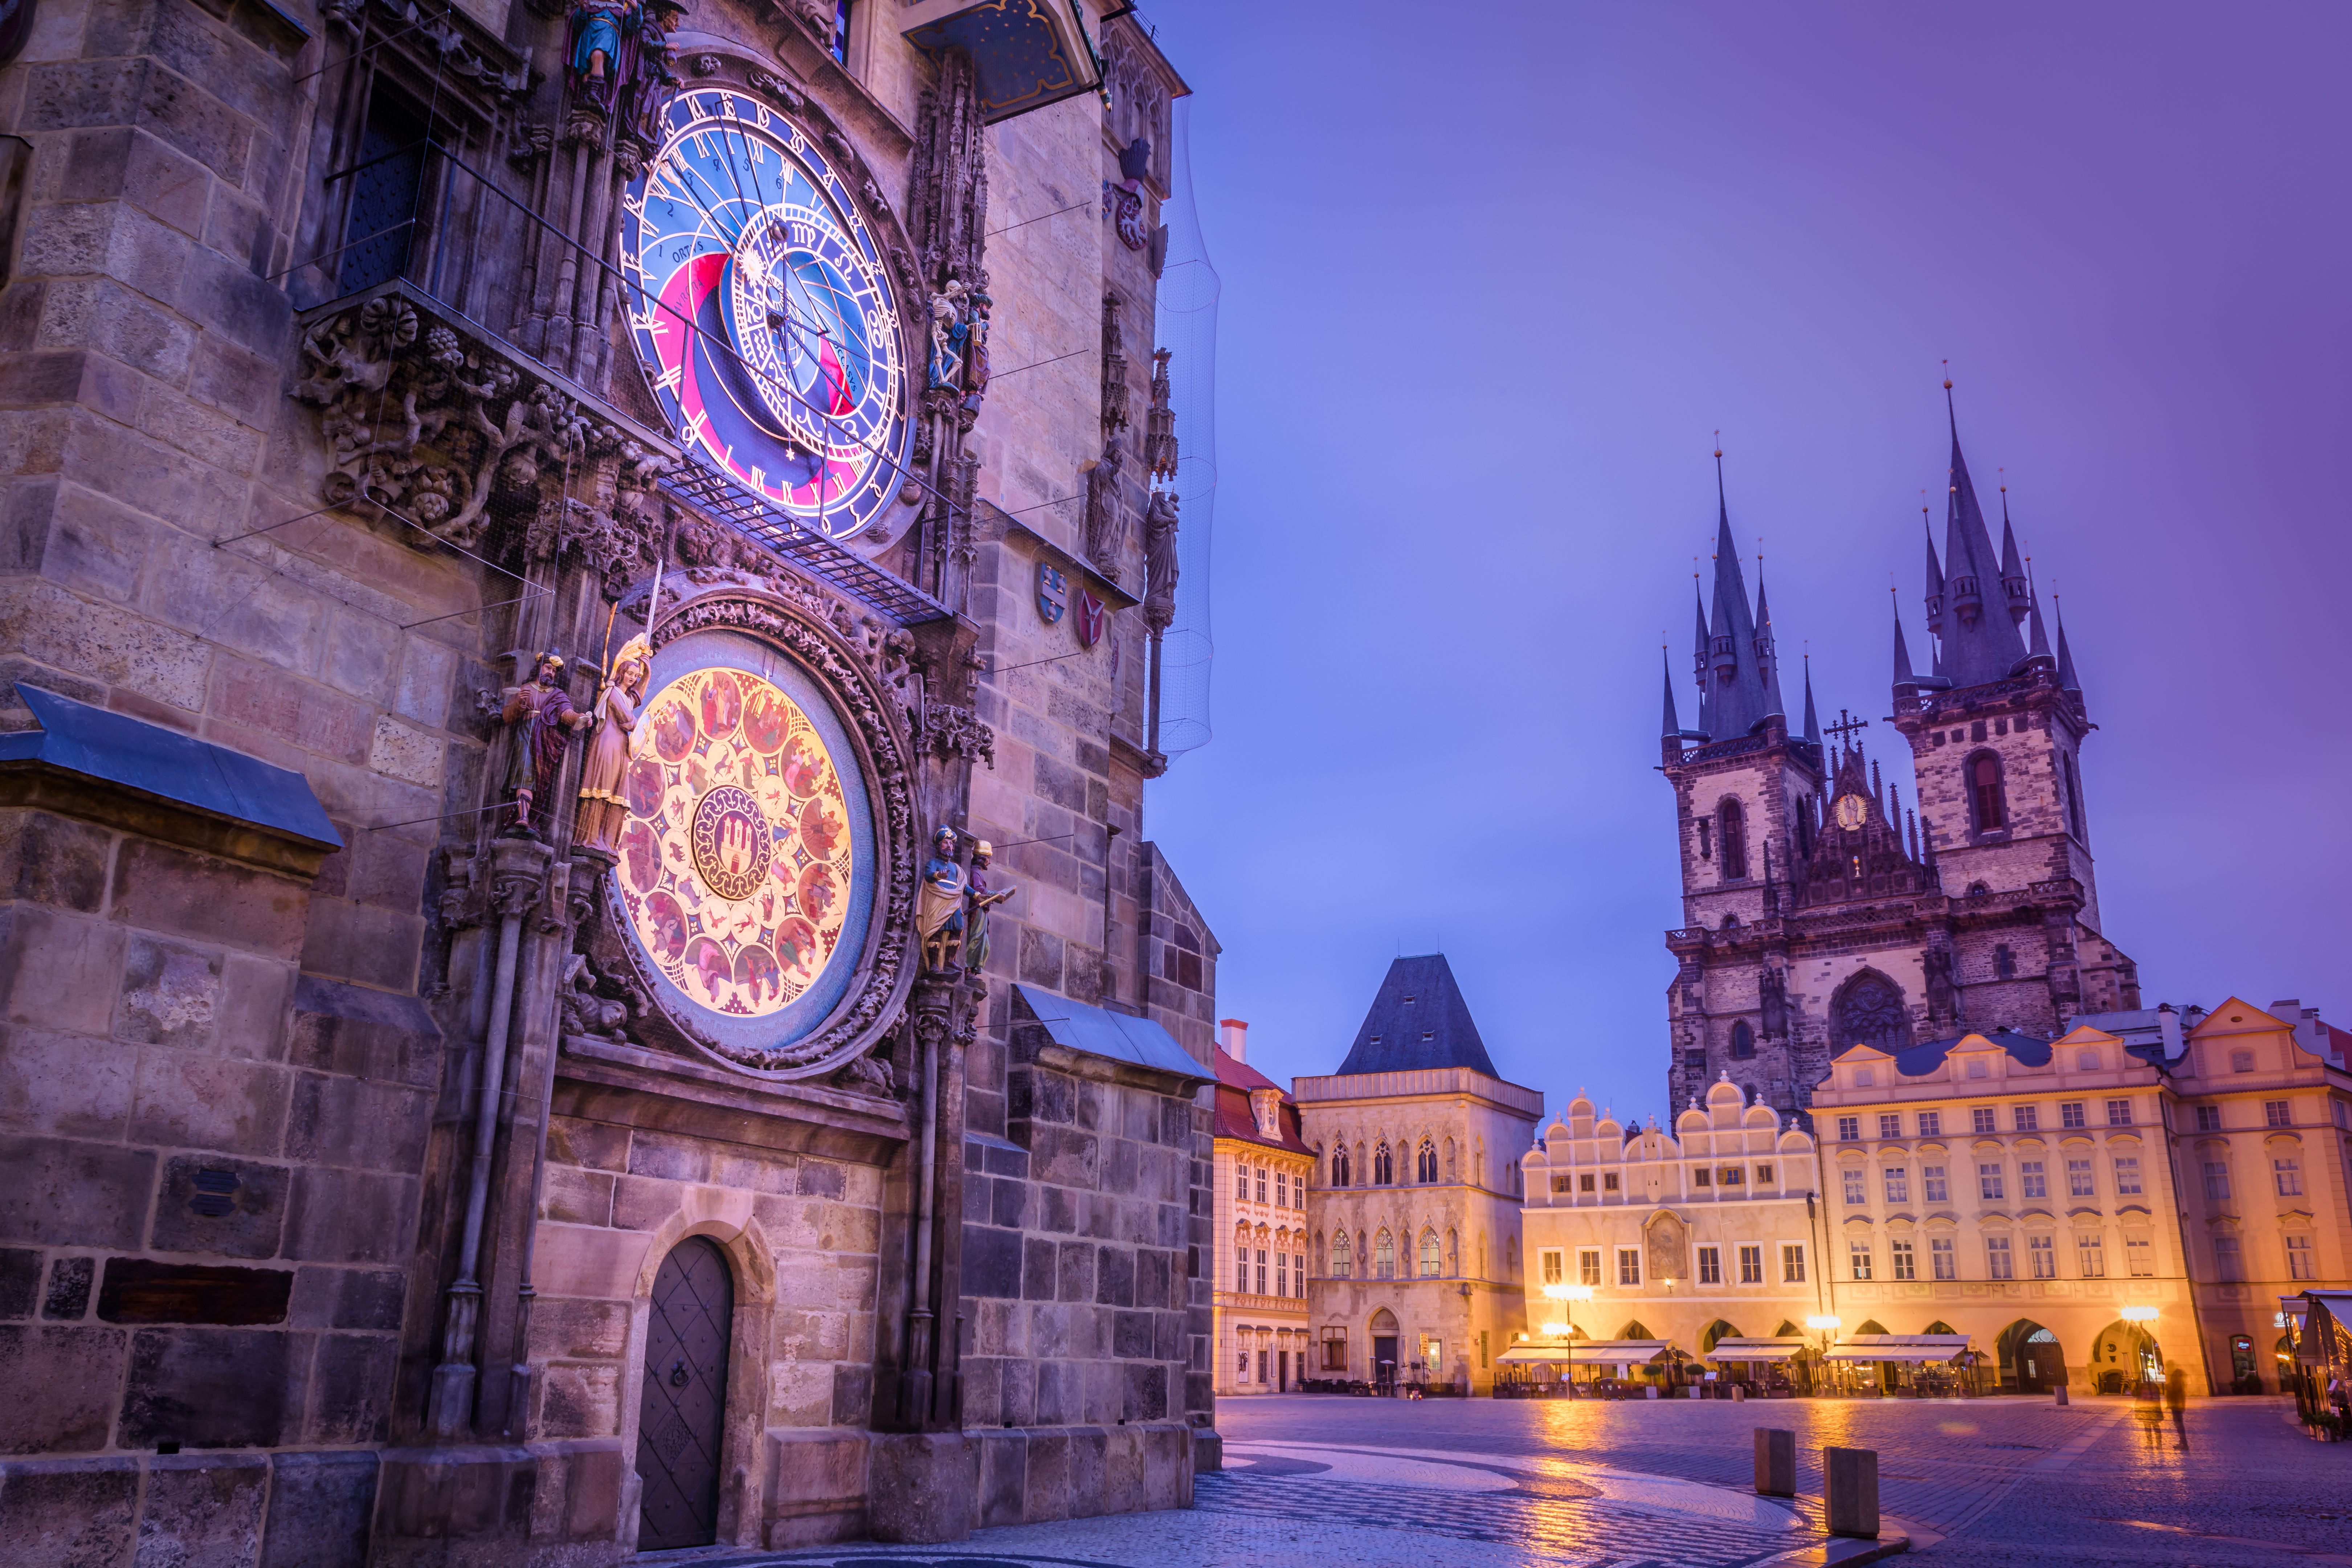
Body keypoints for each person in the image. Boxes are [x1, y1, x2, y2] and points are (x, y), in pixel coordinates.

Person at [502, 650, 593, 835]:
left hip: (546, 742)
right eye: (548, 668)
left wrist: (581, 718)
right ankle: (523, 817)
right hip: (526, 737)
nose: (551, 673)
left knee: (541, 781)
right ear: (540, 668)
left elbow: (567, 714)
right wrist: (519, 703)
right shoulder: (526, 688)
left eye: (554, 671)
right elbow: (507, 717)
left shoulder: (558, 695)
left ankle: (531, 816)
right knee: (524, 774)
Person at [575, 635, 650, 853]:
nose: (633, 679)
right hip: (608, 744)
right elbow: (628, 721)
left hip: (620, 749)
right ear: (621, 674)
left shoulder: (626, 696)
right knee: (601, 789)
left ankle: (606, 841)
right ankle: (589, 837)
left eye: (636, 676)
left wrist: (647, 673)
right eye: (630, 674)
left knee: (616, 795)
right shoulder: (614, 693)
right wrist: (642, 724)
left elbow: (637, 697)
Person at [915, 826, 966, 971]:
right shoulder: (934, 863)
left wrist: (977, 895)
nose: (949, 846)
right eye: (946, 843)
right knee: (935, 931)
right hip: (937, 902)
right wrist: (938, 875)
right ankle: (934, 964)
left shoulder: (955, 868)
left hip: (953, 903)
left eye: (951, 844)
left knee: (958, 929)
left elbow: (963, 886)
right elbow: (928, 876)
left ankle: (949, 961)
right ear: (939, 846)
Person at [961, 840, 1016, 973]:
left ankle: (974, 969)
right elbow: (980, 892)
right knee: (977, 939)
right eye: (988, 859)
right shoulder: (975, 873)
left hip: (982, 911)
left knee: (985, 944)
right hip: (977, 910)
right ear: (982, 859)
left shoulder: (978, 872)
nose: (990, 862)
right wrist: (997, 894)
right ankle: (968, 970)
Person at [2165, 1365, 2190, 1450]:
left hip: (2176, 1408)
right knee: (2179, 1426)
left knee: (2179, 1426)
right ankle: (2182, 1442)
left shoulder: (2177, 1386)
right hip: (2176, 1408)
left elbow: (2176, 1397)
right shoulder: (2178, 1385)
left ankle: (2184, 1444)